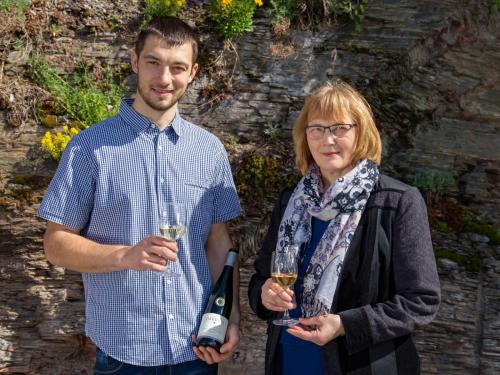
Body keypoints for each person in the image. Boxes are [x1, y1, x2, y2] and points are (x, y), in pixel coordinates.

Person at [38, 16, 241, 375]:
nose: (164, 79)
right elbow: (55, 245)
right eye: (153, 62)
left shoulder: (209, 150)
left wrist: (231, 319)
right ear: (134, 62)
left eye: (177, 67)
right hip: (124, 352)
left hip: (196, 348)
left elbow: (218, 244)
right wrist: (126, 255)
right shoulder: (89, 148)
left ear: (192, 72)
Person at [248, 81, 441, 375]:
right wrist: (264, 295)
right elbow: (261, 277)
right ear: (305, 136)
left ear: (361, 132)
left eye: (340, 128)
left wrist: (344, 325)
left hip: (363, 365)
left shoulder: (397, 202)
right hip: (290, 361)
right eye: (317, 129)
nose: (328, 140)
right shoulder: (292, 200)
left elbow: (421, 301)